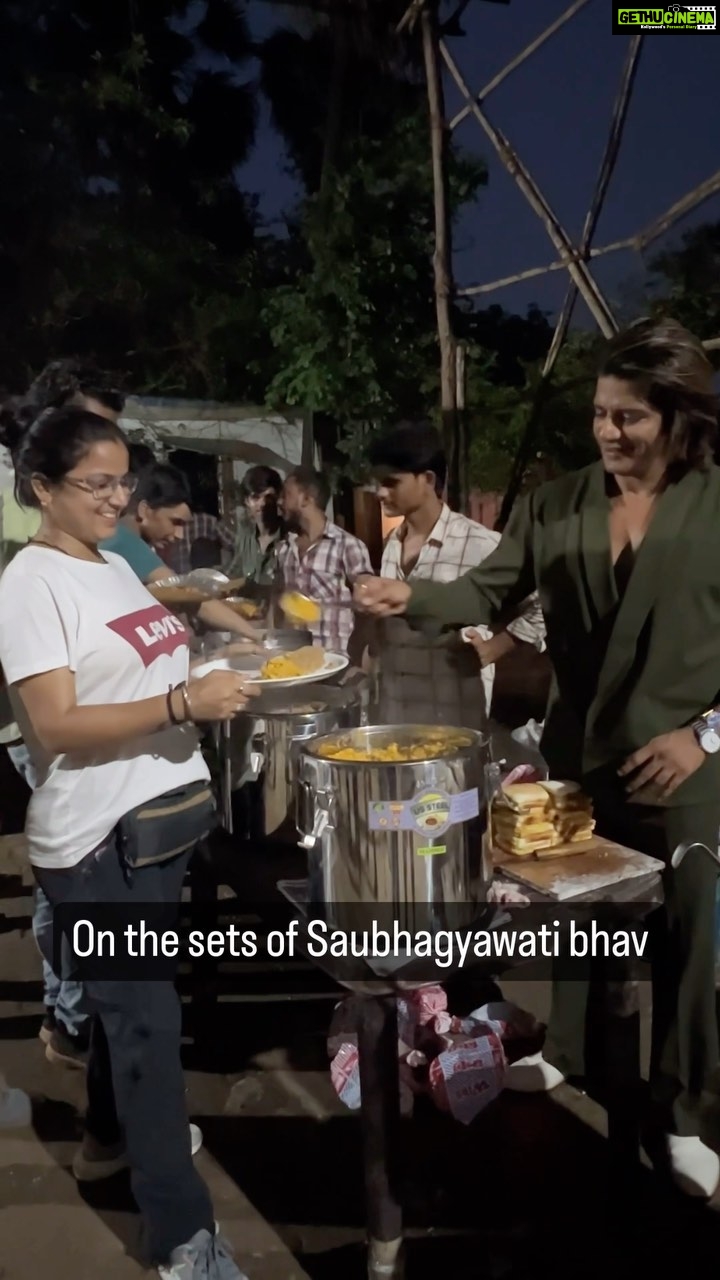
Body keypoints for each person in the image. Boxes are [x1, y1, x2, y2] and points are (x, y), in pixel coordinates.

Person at [355, 317, 720, 1199]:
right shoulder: (560, 503)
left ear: (676, 417)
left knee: (690, 938)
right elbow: (488, 587)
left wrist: (702, 736)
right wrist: (412, 594)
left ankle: (686, 1112)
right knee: (578, 916)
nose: (607, 432)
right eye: (599, 413)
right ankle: (566, 1053)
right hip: (580, 753)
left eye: (628, 417)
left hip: (688, 764)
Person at [0, 401, 257, 1279]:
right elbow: (58, 724)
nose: (117, 498)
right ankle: (182, 1238)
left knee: (128, 1011)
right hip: (98, 841)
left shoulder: (113, 564)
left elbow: (152, 656)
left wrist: (210, 671)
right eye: (96, 484)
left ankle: (106, 1138)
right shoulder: (30, 584)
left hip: (158, 824)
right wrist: (183, 704)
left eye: (122, 480)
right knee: (148, 1027)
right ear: (42, 487)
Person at [1, 359, 125, 1068]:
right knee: (70, 862)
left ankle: (71, 1010)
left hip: (81, 706)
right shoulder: (15, 501)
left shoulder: (84, 503)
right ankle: (75, 1017)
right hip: (38, 714)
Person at [366, 421, 545, 727]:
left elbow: (544, 604)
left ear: (427, 479)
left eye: (391, 482)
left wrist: (496, 647)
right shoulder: (392, 545)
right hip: (397, 712)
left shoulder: (481, 544)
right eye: (377, 482)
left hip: (455, 718)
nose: (380, 492)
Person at [105, 462, 262, 645]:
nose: (180, 535)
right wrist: (255, 635)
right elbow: (190, 596)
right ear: (144, 511)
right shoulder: (125, 542)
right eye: (175, 522)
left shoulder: (119, 538)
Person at [278, 467, 373, 654]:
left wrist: (361, 660)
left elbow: (367, 609)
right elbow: (278, 601)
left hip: (336, 663)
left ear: (306, 499)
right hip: (294, 663)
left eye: (287, 494)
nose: (280, 501)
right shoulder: (284, 548)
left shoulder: (348, 546)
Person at [226, 465, 285, 587]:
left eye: (269, 497)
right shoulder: (246, 535)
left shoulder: (288, 537)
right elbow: (233, 573)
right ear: (246, 501)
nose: (262, 504)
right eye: (255, 497)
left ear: (278, 499)